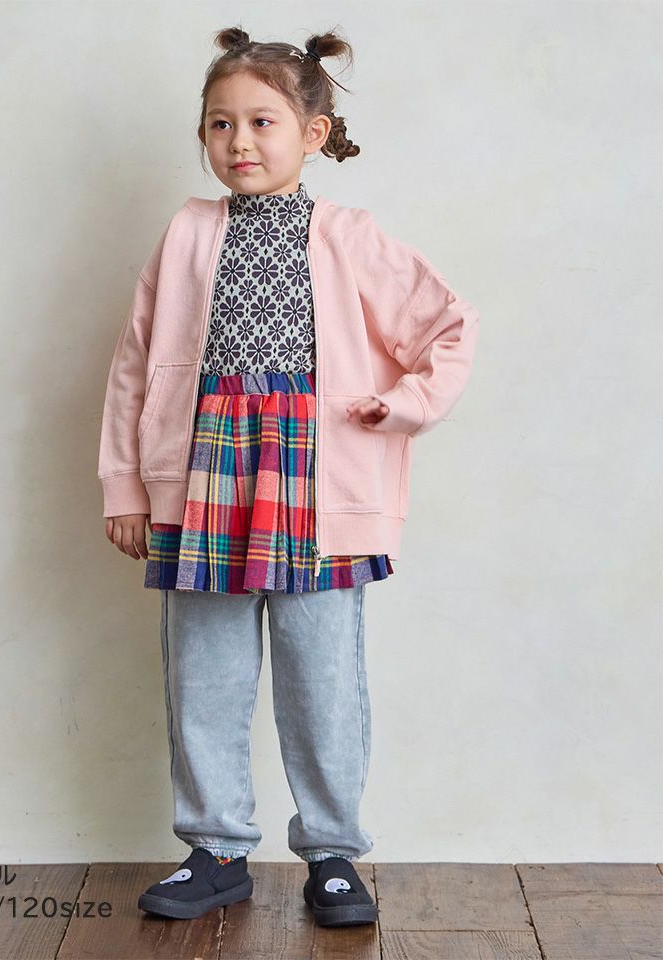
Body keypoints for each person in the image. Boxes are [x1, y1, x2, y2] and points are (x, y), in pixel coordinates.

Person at [97, 26, 479, 927]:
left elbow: (447, 327)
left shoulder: (349, 236)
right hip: (204, 479)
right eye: (220, 123)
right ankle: (217, 849)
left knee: (322, 678)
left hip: (315, 482)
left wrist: (406, 405)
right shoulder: (187, 234)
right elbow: (135, 365)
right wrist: (126, 487)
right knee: (205, 674)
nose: (239, 142)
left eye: (262, 122)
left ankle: (333, 853)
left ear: (313, 133)